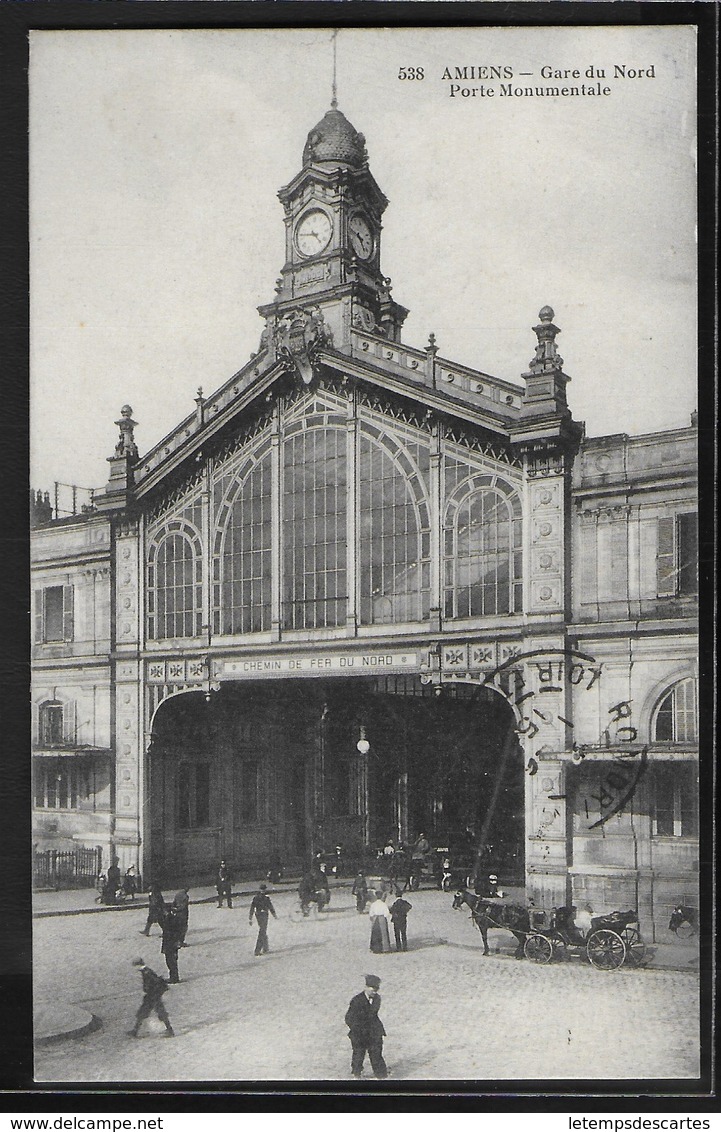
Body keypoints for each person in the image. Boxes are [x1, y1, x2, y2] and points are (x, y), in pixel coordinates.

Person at [344, 974, 388, 1080]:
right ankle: (357, 1074)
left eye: (377, 989)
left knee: (376, 1053)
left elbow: (373, 1015)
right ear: (366, 987)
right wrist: (357, 1030)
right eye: (373, 989)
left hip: (374, 1031)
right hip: (359, 1032)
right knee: (359, 1054)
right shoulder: (356, 1000)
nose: (375, 991)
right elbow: (348, 1018)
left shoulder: (377, 998)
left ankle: (381, 1076)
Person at [128, 957, 174, 1039]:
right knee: (143, 1013)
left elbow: (154, 982)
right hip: (152, 996)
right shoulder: (146, 971)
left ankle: (170, 1030)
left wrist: (150, 991)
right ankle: (135, 1031)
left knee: (159, 1012)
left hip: (152, 996)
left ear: (138, 965)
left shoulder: (146, 972)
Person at [248, 883, 277, 956]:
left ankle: (265, 947)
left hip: (259, 915)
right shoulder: (265, 898)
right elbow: (270, 907)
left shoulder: (256, 897)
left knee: (263, 930)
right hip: (263, 915)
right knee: (262, 931)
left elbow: (252, 908)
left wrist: (250, 918)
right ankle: (257, 950)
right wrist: (274, 915)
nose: (263, 891)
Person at [161, 905, 183, 983]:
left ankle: (174, 978)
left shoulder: (169, 920)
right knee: (172, 961)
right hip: (171, 943)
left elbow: (168, 933)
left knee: (170, 961)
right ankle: (174, 977)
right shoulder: (171, 919)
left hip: (170, 943)